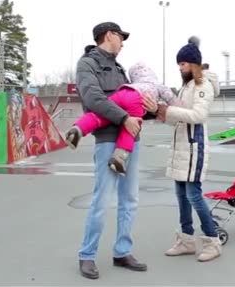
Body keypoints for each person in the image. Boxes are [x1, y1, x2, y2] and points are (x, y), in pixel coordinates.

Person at [75, 22, 157, 279]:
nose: (123, 43)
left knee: (129, 200)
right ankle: (86, 255)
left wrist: (151, 109)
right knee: (101, 199)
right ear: (109, 35)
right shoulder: (87, 64)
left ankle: (122, 251)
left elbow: (132, 105)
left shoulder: (120, 68)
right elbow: (93, 100)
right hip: (108, 140)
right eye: (121, 37)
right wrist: (124, 119)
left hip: (131, 140)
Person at [156, 41, 222, 263]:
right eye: (178, 64)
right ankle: (186, 240)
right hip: (181, 147)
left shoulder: (202, 86)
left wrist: (170, 111)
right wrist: (162, 114)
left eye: (182, 63)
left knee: (194, 195)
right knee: (181, 195)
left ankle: (213, 241)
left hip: (194, 148)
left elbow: (197, 116)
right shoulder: (187, 86)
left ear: (193, 63)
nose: (180, 67)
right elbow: (180, 118)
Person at [65, 62, 182, 173]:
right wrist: (181, 107)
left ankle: (78, 129)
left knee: (102, 115)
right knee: (131, 127)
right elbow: (171, 99)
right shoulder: (157, 85)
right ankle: (118, 158)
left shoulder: (134, 84)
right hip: (137, 100)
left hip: (123, 91)